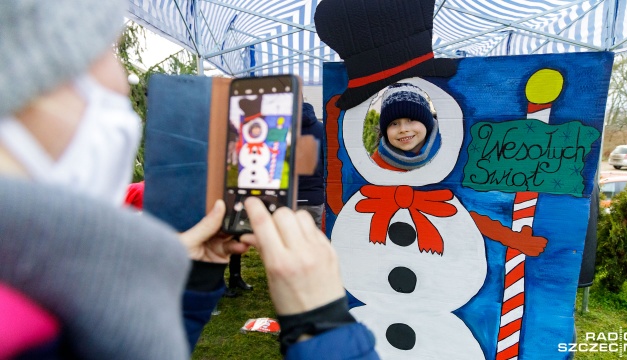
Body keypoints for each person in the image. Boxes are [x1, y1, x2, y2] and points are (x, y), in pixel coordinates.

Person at [0, 1, 378, 359]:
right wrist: (325, 327)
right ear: (33, 70)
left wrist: (189, 287)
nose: (122, 82)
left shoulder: (38, 285)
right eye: (107, 49)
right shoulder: (24, 322)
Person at [371, 83, 440, 171]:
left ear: (427, 122)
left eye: (411, 120)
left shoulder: (451, 150)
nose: (403, 129)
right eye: (394, 124)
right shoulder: (374, 165)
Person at [297, 102, 325, 229]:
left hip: (292, 198)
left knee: (292, 239)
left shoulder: (286, 131)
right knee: (317, 239)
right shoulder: (323, 130)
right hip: (316, 197)